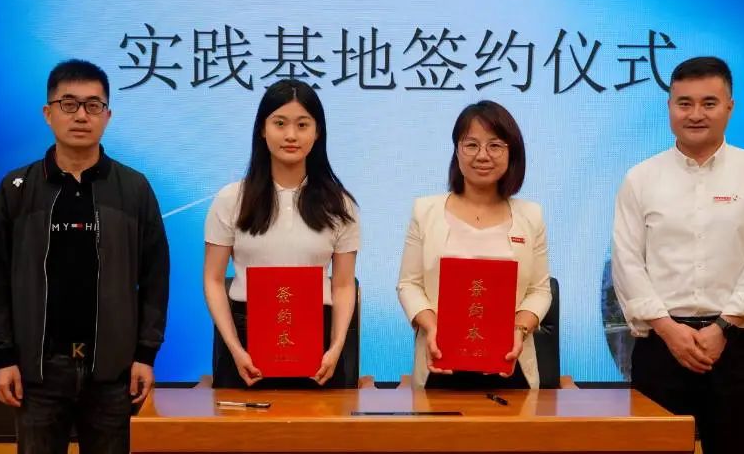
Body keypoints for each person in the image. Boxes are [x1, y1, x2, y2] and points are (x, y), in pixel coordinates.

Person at [0, 59, 170, 454]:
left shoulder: (133, 189)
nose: (81, 115)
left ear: (108, 115)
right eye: (69, 104)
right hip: (39, 372)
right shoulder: (18, 190)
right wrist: (3, 356)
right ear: (48, 113)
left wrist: (145, 354)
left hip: (112, 371)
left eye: (93, 105)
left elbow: (155, 278)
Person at [612, 56, 744, 454]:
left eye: (709, 103)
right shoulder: (640, 178)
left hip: (733, 347)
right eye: (684, 103)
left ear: (730, 107)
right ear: (669, 107)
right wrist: (668, 329)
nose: (695, 114)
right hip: (659, 348)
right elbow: (628, 263)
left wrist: (722, 328)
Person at [204, 79, 359, 388]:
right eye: (279, 123)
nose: (291, 135)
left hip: (319, 349)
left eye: (302, 125)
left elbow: (343, 285)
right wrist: (235, 348)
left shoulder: (340, 204)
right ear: (262, 130)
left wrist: (336, 347)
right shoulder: (231, 199)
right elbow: (214, 280)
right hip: (245, 345)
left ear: (317, 132)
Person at [396, 100, 552, 389]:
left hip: (510, 364)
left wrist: (519, 330)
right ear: (457, 151)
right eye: (471, 145)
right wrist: (432, 327)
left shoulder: (531, 216)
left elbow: (540, 291)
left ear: (512, 153)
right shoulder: (425, 211)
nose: (483, 155)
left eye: (495, 146)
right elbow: (409, 285)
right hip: (439, 362)